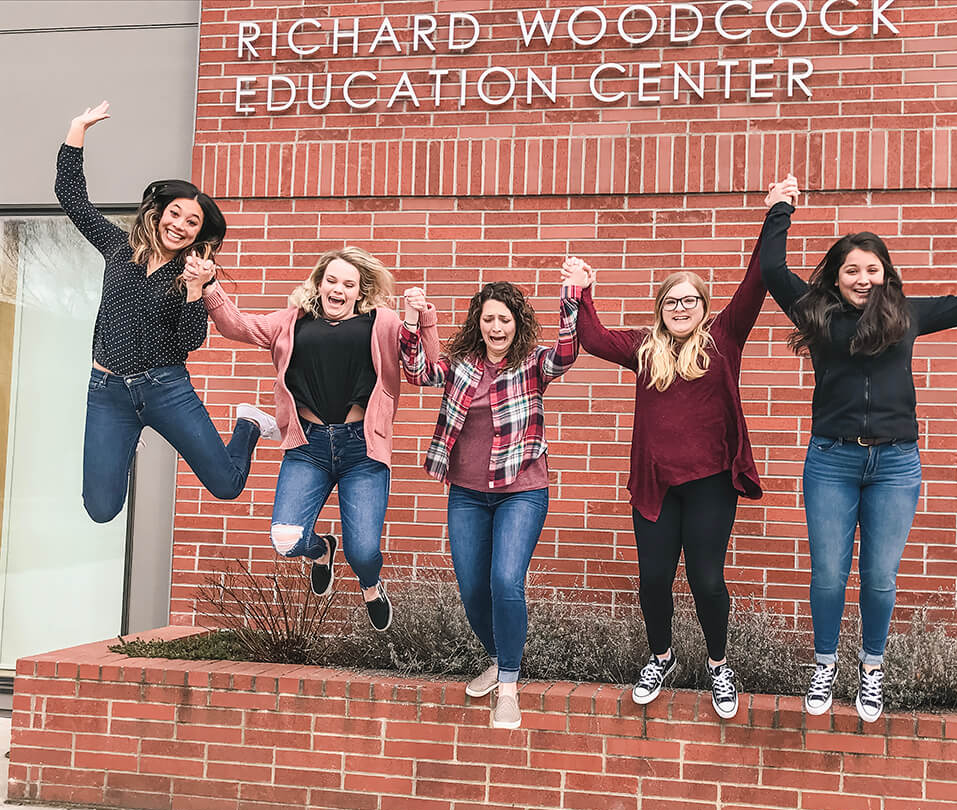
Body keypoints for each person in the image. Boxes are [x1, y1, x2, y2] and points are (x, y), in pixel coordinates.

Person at [761, 174, 957, 723]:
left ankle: (871, 669)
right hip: (831, 460)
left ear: (886, 274)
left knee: (880, 576)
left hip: (896, 463)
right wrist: (779, 209)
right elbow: (772, 270)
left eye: (872, 269)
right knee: (828, 572)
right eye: (852, 269)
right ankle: (824, 665)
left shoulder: (907, 314)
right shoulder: (816, 313)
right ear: (837, 275)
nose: (863, 278)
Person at [573, 191, 777, 722]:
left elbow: (758, 277)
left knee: (706, 579)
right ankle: (661, 658)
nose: (681, 308)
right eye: (672, 301)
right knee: (653, 579)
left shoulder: (725, 339)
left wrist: (777, 211)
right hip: (657, 485)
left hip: (710, 484)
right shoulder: (645, 348)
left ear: (704, 309)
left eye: (690, 301)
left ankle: (717, 664)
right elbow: (591, 338)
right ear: (661, 309)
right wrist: (581, 290)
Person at [185, 248, 438, 629]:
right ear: (319, 283)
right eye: (332, 280)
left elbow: (426, 370)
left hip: (362, 449)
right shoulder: (291, 322)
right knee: (287, 540)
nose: (339, 289)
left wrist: (422, 319)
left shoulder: (382, 322)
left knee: (364, 551)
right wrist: (209, 286)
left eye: (348, 284)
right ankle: (321, 551)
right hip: (309, 448)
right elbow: (238, 325)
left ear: (360, 290)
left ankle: (370, 585)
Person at [57, 101, 277, 523]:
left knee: (227, 484)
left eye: (192, 222)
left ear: (200, 233)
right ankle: (126, 437)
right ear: (159, 214)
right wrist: (77, 128)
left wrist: (196, 290)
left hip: (165, 389)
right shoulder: (120, 248)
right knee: (101, 510)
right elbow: (72, 198)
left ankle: (249, 424)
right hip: (108, 391)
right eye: (175, 213)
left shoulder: (192, 273)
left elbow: (187, 343)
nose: (179, 224)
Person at [400, 268, 581, 729]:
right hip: (466, 494)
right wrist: (414, 321)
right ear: (477, 323)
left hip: (522, 491)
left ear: (517, 323)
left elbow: (566, 353)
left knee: (505, 582)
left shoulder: (534, 364)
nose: (496, 328)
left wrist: (573, 293)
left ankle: (508, 687)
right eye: (488, 320)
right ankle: (500, 657)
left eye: (504, 319)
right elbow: (420, 372)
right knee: (472, 589)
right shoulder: (462, 363)